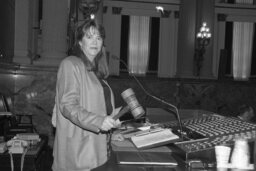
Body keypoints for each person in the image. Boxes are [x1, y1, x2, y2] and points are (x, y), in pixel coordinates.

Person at [51, 17, 121, 171]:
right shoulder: (70, 64)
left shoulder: (96, 72)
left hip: (99, 149)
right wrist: (98, 121)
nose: (95, 42)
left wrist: (112, 118)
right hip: (79, 153)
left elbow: (96, 107)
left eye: (98, 37)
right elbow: (67, 106)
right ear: (80, 42)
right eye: (89, 37)